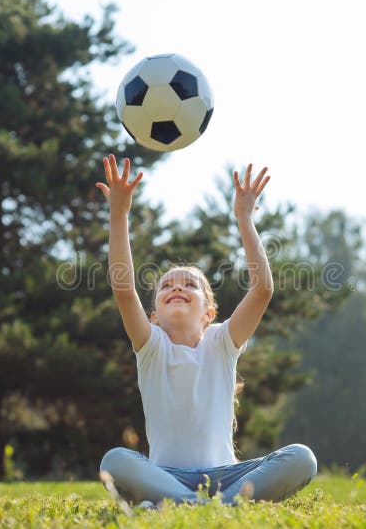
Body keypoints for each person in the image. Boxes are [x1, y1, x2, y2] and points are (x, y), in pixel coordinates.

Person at [95, 154, 317, 507]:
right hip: (166, 475)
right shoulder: (151, 346)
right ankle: (213, 507)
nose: (177, 288)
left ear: (209, 313)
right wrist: (119, 214)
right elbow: (124, 290)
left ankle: (188, 506)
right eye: (166, 286)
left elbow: (262, 291)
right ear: (152, 316)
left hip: (228, 476)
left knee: (302, 457)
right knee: (114, 460)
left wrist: (244, 219)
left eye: (190, 285)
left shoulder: (221, 342)